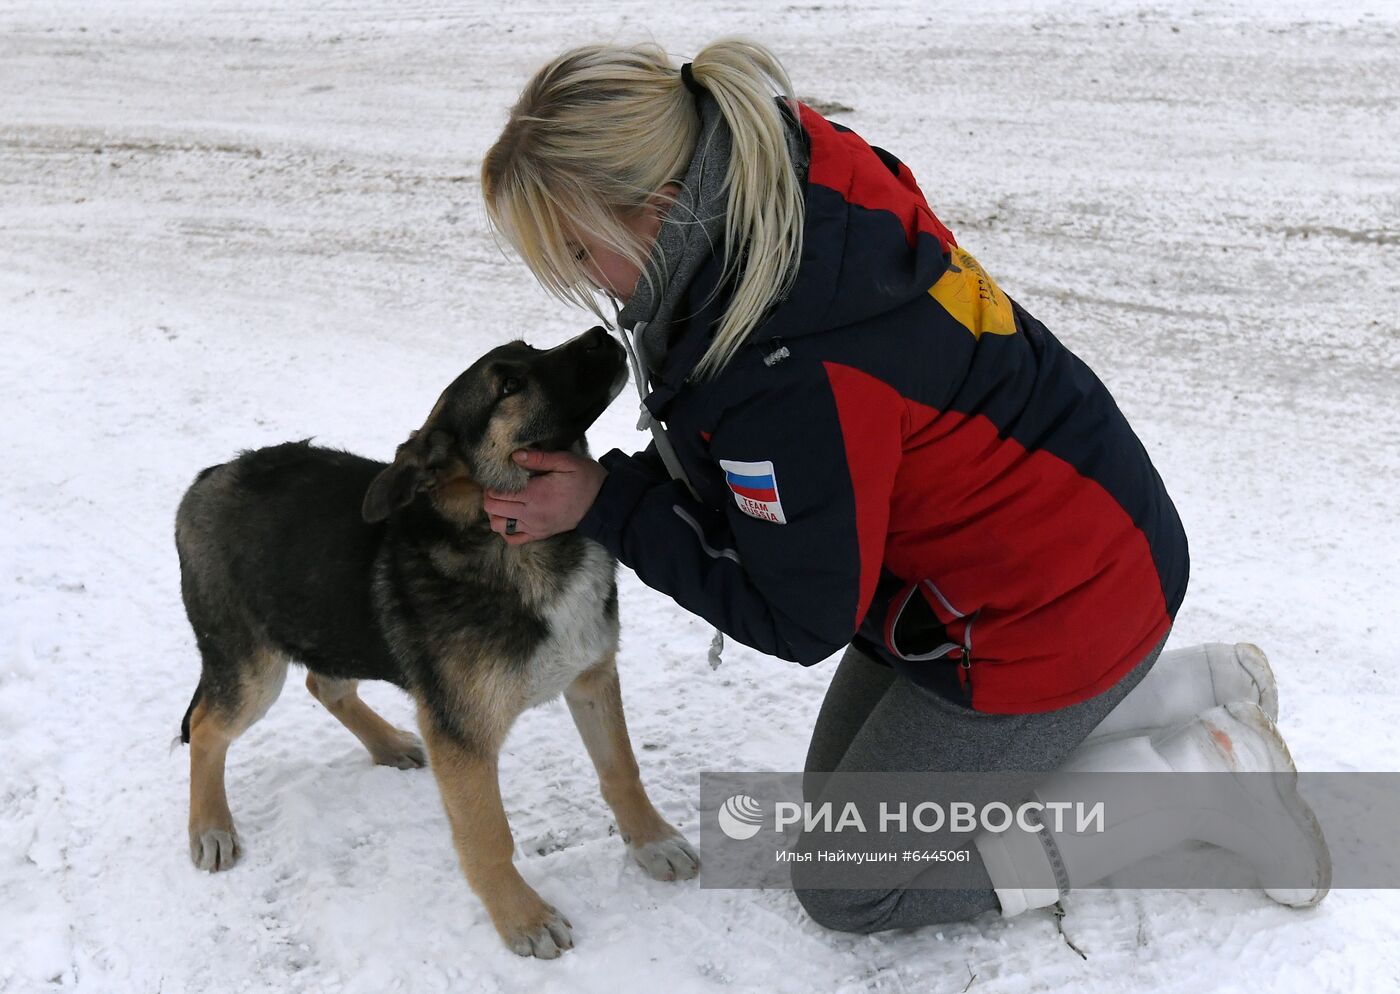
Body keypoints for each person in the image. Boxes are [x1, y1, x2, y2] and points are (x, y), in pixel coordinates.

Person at [477, 38, 1330, 932]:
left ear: (655, 206)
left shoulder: (786, 363)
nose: (583, 283)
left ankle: (1194, 785)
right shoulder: (777, 173)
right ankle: (1183, 693)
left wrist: (606, 504)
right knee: (838, 809)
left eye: (579, 252)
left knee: (848, 880)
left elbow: (800, 616)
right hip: (1057, 538)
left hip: (1053, 614)